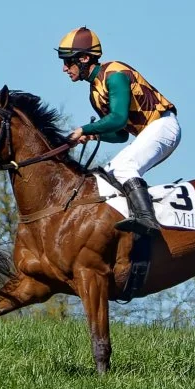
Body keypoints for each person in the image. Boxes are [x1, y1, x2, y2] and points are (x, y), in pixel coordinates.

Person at [58, 26, 180, 236]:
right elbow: (121, 133)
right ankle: (135, 218)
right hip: (149, 133)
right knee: (109, 175)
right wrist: (93, 134)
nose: (64, 68)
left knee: (125, 167)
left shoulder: (114, 74)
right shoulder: (94, 93)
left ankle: (148, 221)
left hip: (163, 126)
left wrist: (84, 129)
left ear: (85, 58)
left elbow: (118, 119)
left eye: (68, 61)